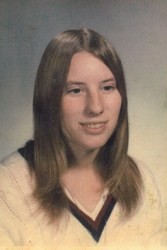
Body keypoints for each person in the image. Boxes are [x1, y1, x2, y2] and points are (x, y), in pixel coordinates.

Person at [0, 28, 164, 248]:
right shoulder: (9, 187)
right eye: (75, 91)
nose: (95, 107)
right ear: (48, 99)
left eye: (107, 87)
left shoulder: (140, 180)